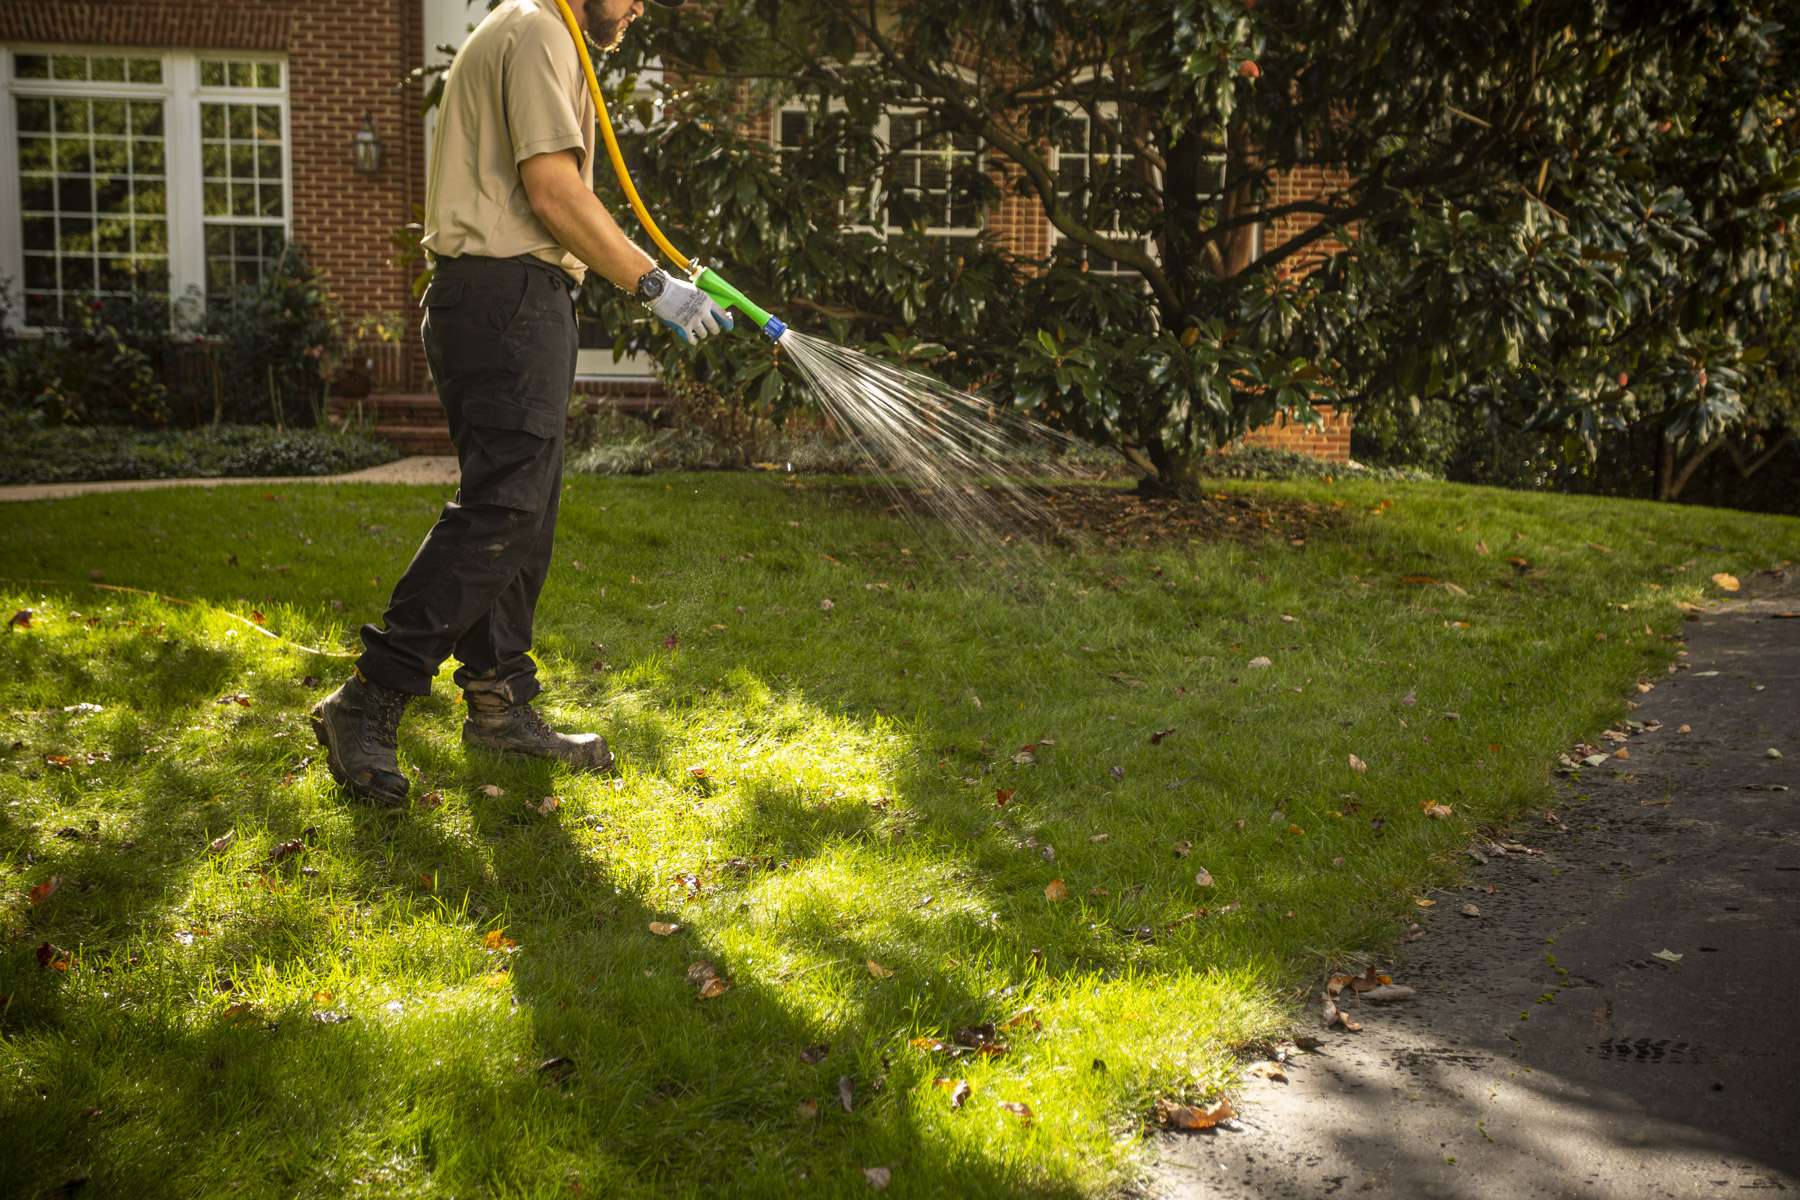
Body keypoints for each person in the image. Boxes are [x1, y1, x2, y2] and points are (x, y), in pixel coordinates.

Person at [311, 0, 730, 807]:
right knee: (503, 508)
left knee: (521, 510)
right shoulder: (539, 29)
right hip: (506, 295)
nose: (639, 5)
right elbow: (554, 191)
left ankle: (501, 705)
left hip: (506, 299)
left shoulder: (532, 31)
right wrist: (650, 284)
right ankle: (370, 695)